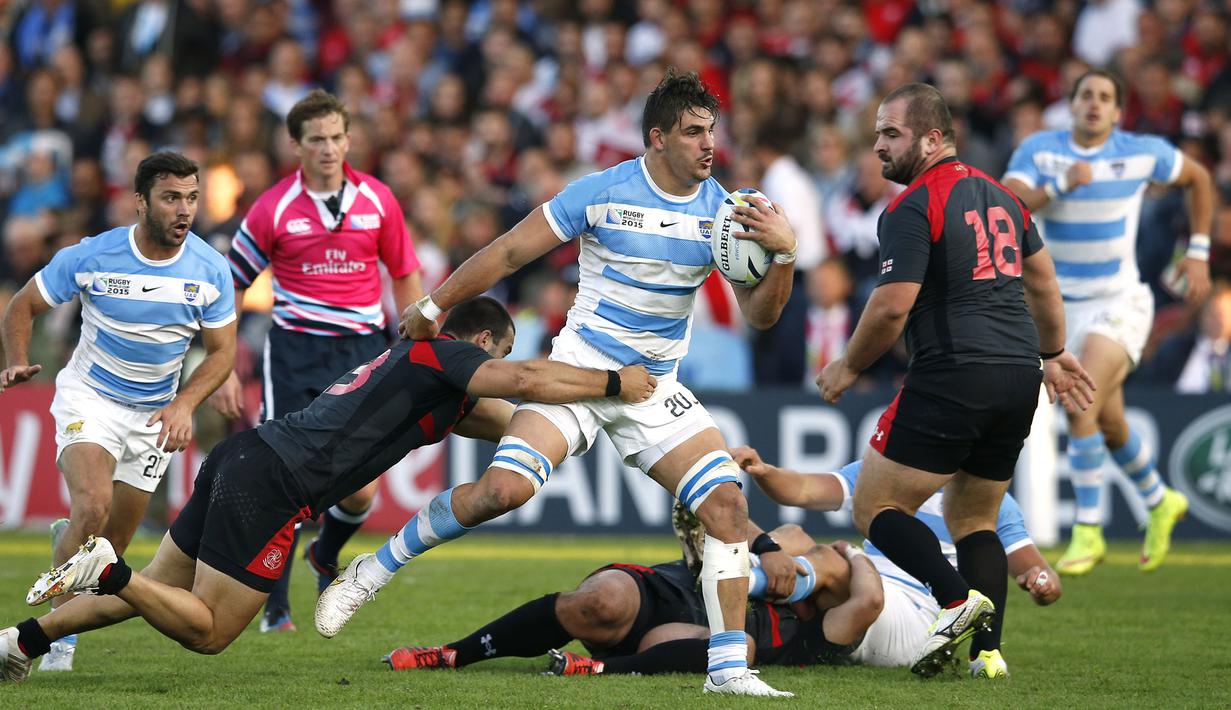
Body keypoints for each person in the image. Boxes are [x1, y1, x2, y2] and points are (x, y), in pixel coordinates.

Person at [314, 68, 799, 698]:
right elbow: (512, 251)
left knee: (728, 507)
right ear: (657, 138)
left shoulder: (724, 216)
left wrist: (785, 255)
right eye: (693, 132)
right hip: (583, 371)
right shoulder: (601, 191)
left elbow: (760, 317)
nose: (709, 145)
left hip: (652, 387)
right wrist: (434, 307)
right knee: (502, 491)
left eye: (712, 131)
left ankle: (729, 671)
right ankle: (371, 571)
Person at [0, 297, 657, 683]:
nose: (492, 365)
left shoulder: (435, 383)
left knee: (159, 594)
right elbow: (525, 385)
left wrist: (579, 430)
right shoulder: (448, 355)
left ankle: (21, 642)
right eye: (497, 352)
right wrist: (609, 384)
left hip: (247, 456)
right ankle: (110, 569)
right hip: (278, 485)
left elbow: (516, 423)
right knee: (207, 633)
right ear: (484, 341)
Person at [815, 82, 1093, 678]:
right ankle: (987, 654)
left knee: (875, 506)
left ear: (932, 138)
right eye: (877, 134)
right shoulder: (1005, 196)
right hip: (1019, 374)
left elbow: (892, 306)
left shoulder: (912, 205)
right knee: (974, 519)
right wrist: (1055, 351)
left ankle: (955, 601)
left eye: (891, 133)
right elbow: (1042, 282)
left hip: (954, 371)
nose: (878, 146)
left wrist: (849, 365)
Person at [0, 151, 238, 673]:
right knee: (92, 506)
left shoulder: (210, 269)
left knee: (111, 550)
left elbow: (222, 353)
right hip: (91, 398)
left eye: (192, 198)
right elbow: (23, 304)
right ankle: (50, 642)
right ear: (140, 202)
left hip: (154, 416)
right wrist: (17, 360)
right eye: (171, 197)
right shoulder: (92, 255)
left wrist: (185, 402)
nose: (184, 210)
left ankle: (64, 552)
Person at [212, 89, 425, 632]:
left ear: (349, 140)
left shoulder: (377, 200)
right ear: (296, 146)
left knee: (362, 489)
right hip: (294, 351)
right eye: (316, 140)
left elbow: (404, 272)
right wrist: (226, 367)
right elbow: (231, 286)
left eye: (336, 137)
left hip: (362, 349)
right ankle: (275, 605)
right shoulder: (273, 207)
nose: (328, 148)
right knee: (285, 477)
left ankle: (324, 555)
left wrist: (418, 341)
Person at [1002, 69, 1215, 575]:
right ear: (1070, 105)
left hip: (1119, 300)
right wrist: (1058, 184)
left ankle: (1089, 530)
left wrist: (1199, 252)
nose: (1094, 105)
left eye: (1105, 98)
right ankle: (1159, 499)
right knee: (1110, 422)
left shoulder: (1141, 151)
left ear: (1118, 112)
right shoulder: (1041, 151)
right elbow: (1005, 205)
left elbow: (1199, 179)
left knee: (1080, 401)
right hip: (1057, 309)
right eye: (1086, 96)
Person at [380, 522, 882, 677]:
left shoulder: (824, 635)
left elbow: (868, 601)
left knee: (738, 651)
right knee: (600, 601)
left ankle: (596, 670)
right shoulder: (788, 551)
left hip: (691, 635)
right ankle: (453, 652)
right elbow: (738, 521)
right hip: (668, 590)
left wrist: (854, 553)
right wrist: (772, 550)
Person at [732, 449, 1062, 677]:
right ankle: (715, 568)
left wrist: (1041, 582)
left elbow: (1035, 568)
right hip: (867, 584)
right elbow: (803, 490)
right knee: (793, 535)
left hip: (916, 619)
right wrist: (764, 472)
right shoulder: (885, 474)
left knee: (831, 560)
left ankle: (730, 582)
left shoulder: (991, 500)